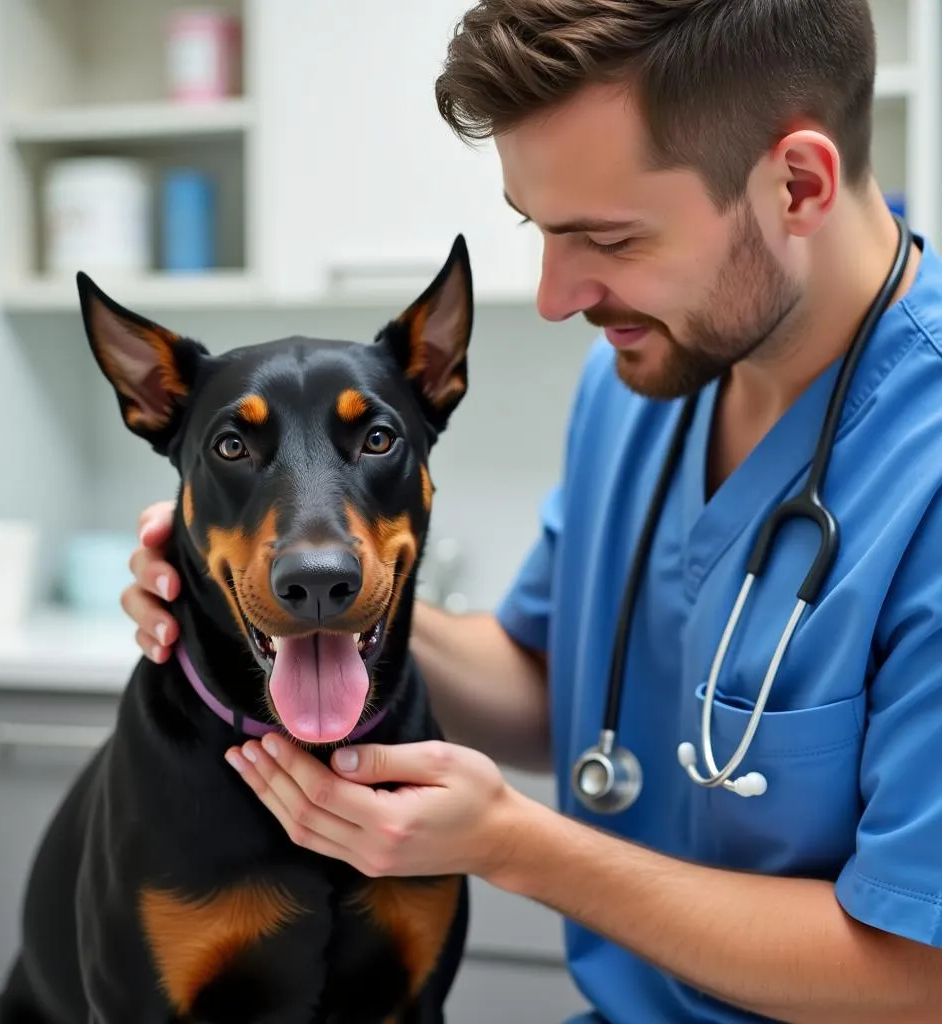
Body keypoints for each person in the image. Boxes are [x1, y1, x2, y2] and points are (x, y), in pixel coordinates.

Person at [119, 1, 942, 1021]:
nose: (556, 296)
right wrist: (303, 594)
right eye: (539, 229)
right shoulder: (638, 381)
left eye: (607, 236)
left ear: (798, 185)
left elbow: (920, 977)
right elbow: (549, 686)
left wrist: (511, 841)